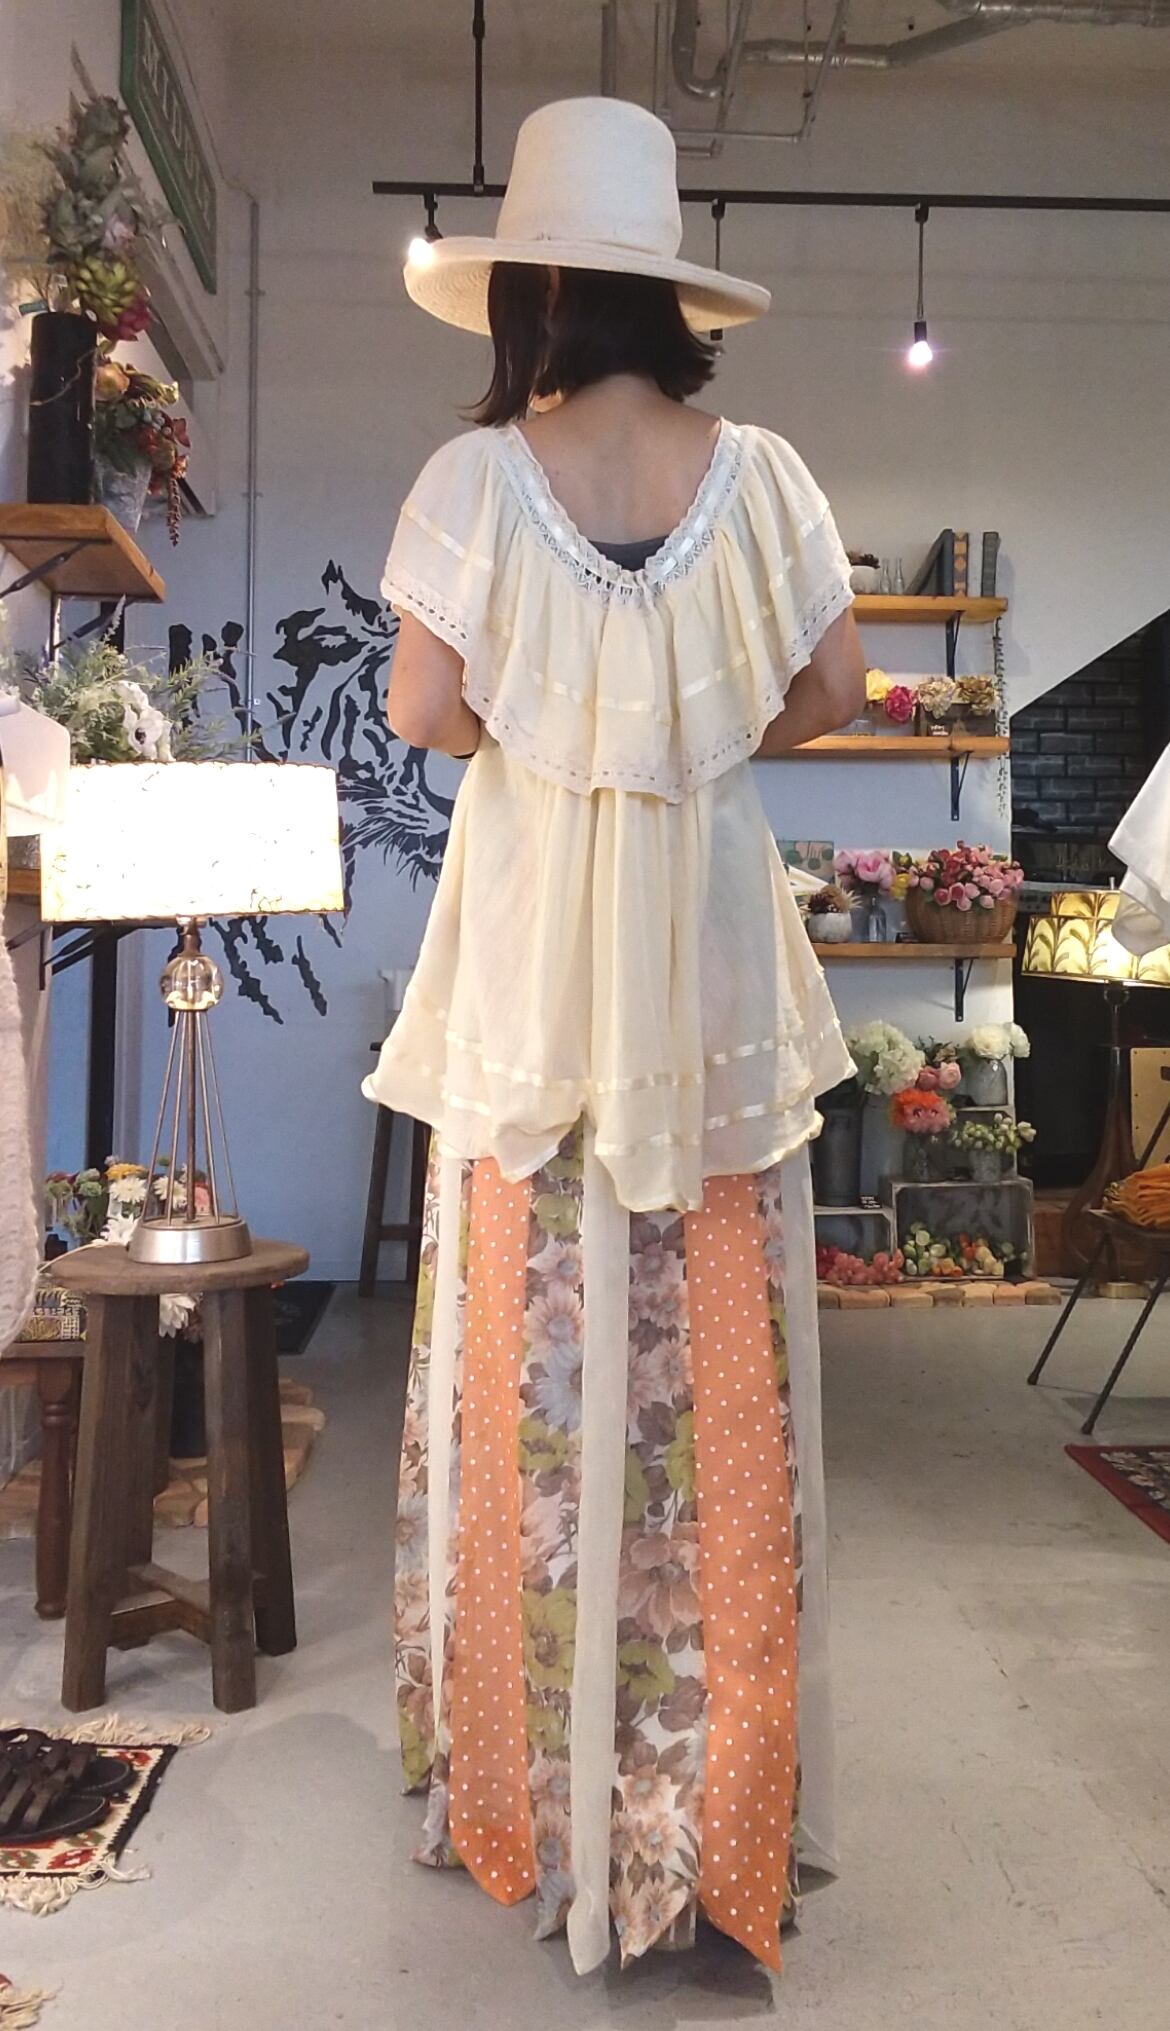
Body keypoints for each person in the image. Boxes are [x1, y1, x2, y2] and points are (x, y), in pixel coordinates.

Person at [366, 95, 866, 1978]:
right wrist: (686, 741)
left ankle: (527, 1786)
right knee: (713, 1379)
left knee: (531, 1366)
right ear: (666, 289)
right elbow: (831, 685)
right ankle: (706, 1817)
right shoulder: (767, 474)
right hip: (706, 972)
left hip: (528, 980)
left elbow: (423, 707)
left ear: (530, 294)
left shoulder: (476, 474)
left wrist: (562, 733)